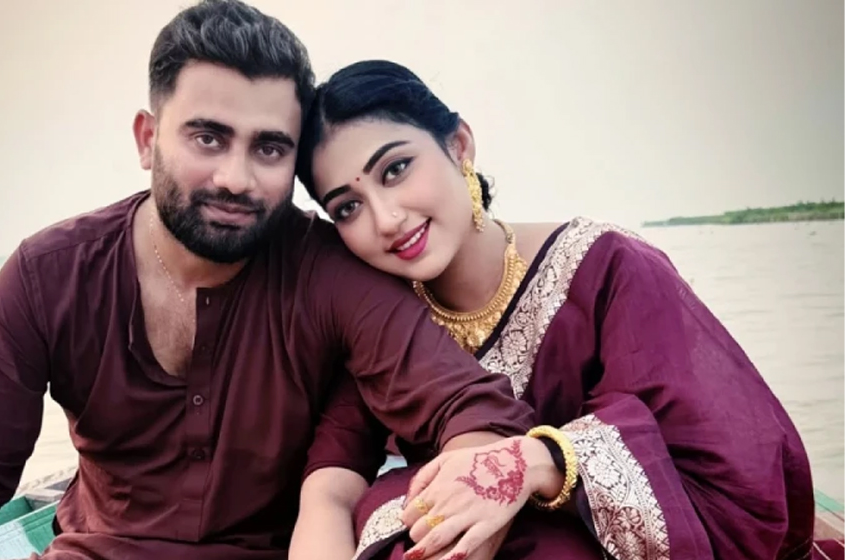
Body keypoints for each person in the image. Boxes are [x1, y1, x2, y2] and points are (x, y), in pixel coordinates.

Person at [0, 6, 560, 560]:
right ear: (147, 139)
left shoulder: (330, 272)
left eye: (268, 148)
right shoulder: (49, 275)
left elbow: (475, 410)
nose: (237, 179)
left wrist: (463, 502)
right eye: (208, 138)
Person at [291, 59, 818, 560]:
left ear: (459, 145)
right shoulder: (383, 317)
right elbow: (335, 474)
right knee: (393, 507)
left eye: (396, 169)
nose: (386, 219)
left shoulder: (607, 268)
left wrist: (537, 462)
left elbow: (729, 475)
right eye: (348, 207)